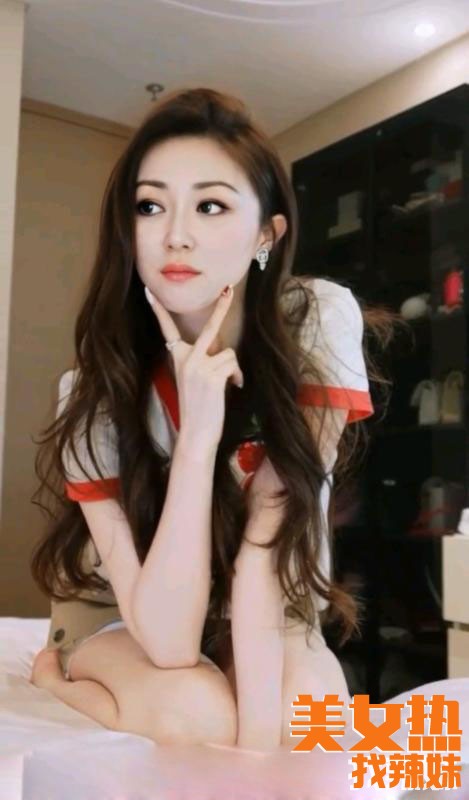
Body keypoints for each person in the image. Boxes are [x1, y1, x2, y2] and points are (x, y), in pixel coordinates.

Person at [29, 86, 393, 752]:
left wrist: (253, 756)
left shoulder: (316, 322)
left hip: (269, 604)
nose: (176, 234)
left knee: (308, 728)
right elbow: (168, 644)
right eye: (149, 206)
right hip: (127, 618)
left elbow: (264, 545)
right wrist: (197, 437)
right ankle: (60, 682)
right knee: (198, 716)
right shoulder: (93, 392)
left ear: (265, 234)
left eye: (210, 205)